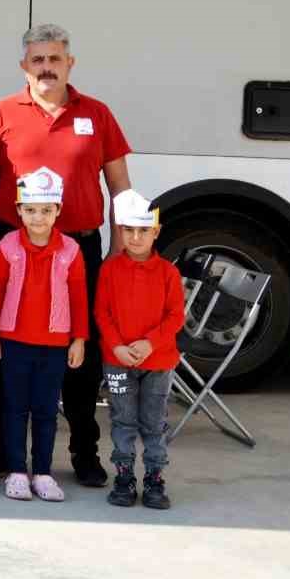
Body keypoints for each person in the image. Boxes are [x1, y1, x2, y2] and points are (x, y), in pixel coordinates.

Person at [0, 23, 131, 488]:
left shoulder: (96, 114)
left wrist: (117, 253)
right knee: (10, 350)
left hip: (78, 249)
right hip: (14, 249)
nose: (46, 67)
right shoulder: (1, 113)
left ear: (69, 63)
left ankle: (84, 452)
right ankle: (5, 451)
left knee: (82, 352)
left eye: (54, 59)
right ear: (25, 66)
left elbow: (120, 187)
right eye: (37, 60)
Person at [0, 167, 88, 503]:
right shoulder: (8, 245)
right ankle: (17, 471)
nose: (38, 217)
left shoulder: (71, 250)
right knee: (14, 408)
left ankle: (42, 472)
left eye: (46, 210)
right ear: (18, 211)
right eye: (30, 209)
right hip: (14, 341)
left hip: (55, 344)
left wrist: (78, 338)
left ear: (58, 210)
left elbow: (78, 295)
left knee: (45, 409)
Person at [96, 189, 185, 510]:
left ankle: (154, 479)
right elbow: (101, 313)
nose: (135, 237)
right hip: (117, 361)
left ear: (156, 232)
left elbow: (176, 316)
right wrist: (117, 346)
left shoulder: (168, 273)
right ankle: (123, 476)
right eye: (129, 230)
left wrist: (150, 342)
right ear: (120, 231)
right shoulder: (109, 270)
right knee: (123, 420)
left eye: (143, 230)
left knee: (153, 422)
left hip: (158, 362)